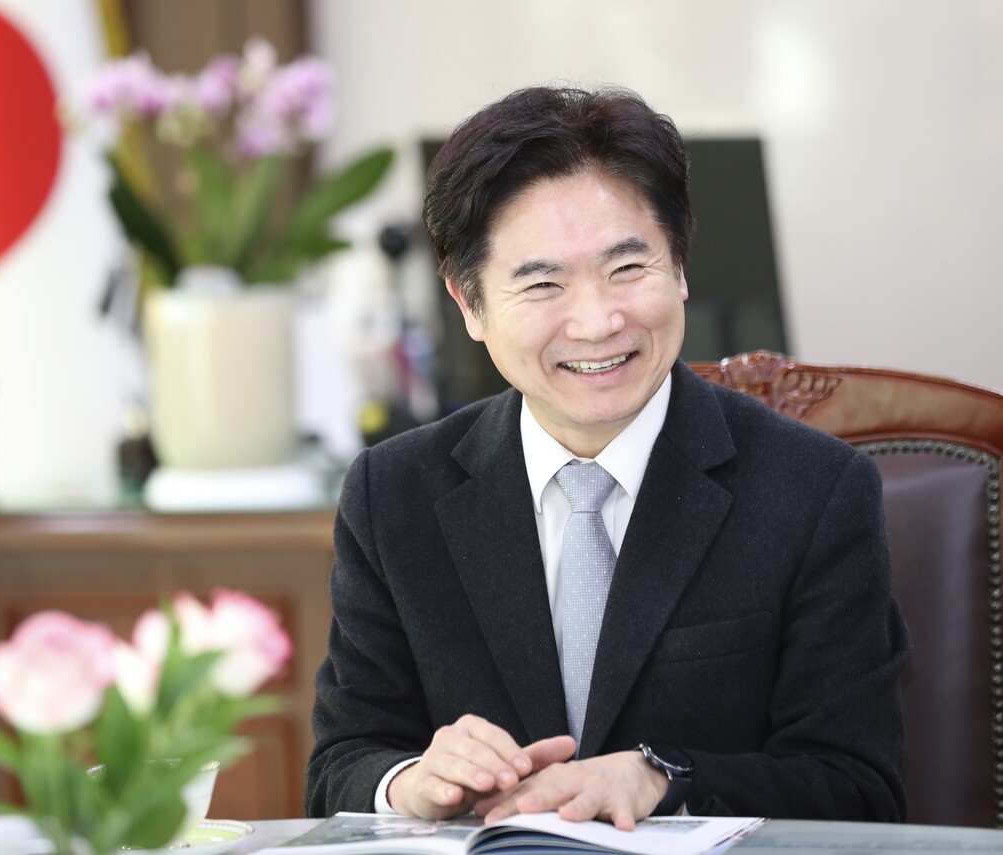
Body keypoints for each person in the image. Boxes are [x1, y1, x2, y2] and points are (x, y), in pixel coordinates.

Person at [306, 85, 910, 827]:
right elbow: (343, 762)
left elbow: (859, 787)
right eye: (542, 283)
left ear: (679, 267)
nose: (596, 322)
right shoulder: (393, 493)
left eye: (627, 269)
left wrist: (665, 780)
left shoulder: (815, 490)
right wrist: (408, 782)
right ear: (468, 304)